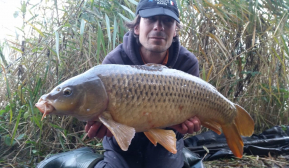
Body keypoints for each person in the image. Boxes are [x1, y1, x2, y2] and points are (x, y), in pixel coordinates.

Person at [37, 0, 202, 167]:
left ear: (175, 30)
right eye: (151, 19)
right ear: (136, 27)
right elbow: (93, 110)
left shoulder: (186, 63)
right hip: (121, 141)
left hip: (164, 137)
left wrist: (187, 125)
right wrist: (102, 126)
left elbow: (192, 119)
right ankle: (89, 159)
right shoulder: (112, 64)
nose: (158, 27)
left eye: (167, 21)